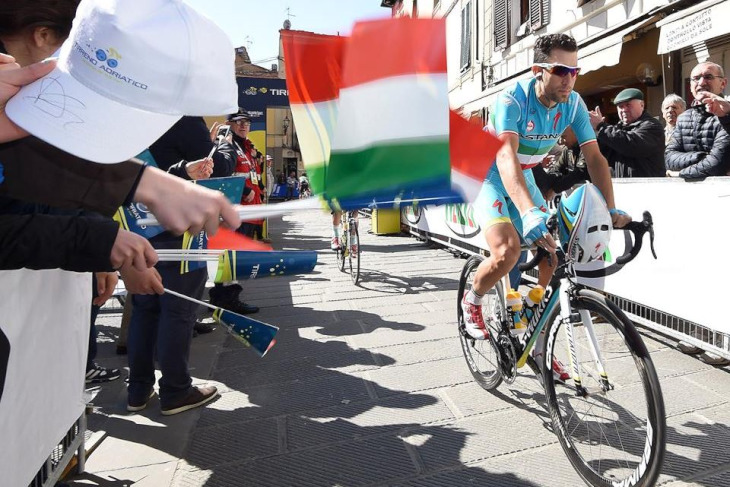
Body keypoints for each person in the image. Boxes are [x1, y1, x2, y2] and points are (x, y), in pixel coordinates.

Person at [461, 34, 630, 376]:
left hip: (522, 175)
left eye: (575, 70)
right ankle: (473, 299)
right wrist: (527, 211)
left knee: (553, 255)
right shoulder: (513, 99)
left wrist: (611, 210)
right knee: (508, 251)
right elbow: (505, 155)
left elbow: (595, 158)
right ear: (538, 70)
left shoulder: (574, 103)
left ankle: (532, 329)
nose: (569, 78)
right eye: (560, 70)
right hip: (489, 174)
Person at [207, 108, 260, 316]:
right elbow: (222, 171)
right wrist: (245, 189)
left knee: (235, 259)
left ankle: (226, 298)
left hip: (248, 212)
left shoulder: (246, 147)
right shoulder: (227, 144)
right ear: (229, 124)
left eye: (246, 122)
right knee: (230, 258)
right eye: (238, 122)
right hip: (234, 211)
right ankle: (226, 300)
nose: (243, 125)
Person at [666, 62, 730, 179]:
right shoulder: (683, 118)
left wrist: (679, 174)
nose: (701, 82)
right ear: (690, 86)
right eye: (696, 79)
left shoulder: (726, 115)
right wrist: (701, 157)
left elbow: (717, 165)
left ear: (723, 83)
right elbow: (669, 159)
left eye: (708, 77)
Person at [588, 88, 665, 177]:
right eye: (620, 106)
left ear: (642, 105)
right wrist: (595, 132)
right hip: (623, 186)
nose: (624, 109)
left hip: (647, 187)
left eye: (628, 105)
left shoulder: (652, 126)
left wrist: (601, 127)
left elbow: (631, 145)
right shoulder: (617, 129)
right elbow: (604, 155)